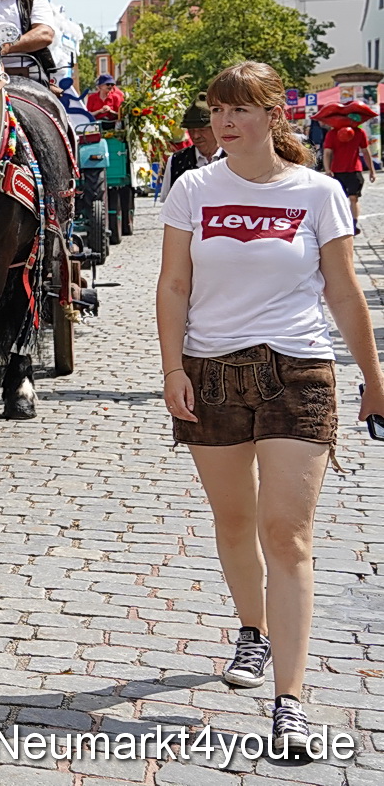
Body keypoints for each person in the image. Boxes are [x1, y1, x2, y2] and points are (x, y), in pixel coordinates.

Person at [156, 61, 384, 757]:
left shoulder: (317, 193)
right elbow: (172, 284)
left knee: (287, 534)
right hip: (213, 371)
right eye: (218, 109)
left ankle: (290, 700)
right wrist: (172, 369)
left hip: (298, 370)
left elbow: (344, 291)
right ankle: (250, 631)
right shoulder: (193, 188)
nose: (225, 121)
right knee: (235, 519)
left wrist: (375, 377)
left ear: (272, 116)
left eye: (240, 109)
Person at [320, 115, 375, 229]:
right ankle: (341, 223)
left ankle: (354, 225)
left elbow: (365, 151)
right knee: (339, 199)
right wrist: (327, 169)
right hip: (337, 171)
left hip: (354, 170)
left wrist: (372, 170)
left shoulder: (359, 132)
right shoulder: (332, 133)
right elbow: (327, 152)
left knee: (353, 198)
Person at [162, 93, 221, 199]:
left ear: (216, 129)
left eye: (202, 130)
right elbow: (169, 206)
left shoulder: (234, 159)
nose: (196, 136)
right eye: (191, 130)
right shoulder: (176, 161)